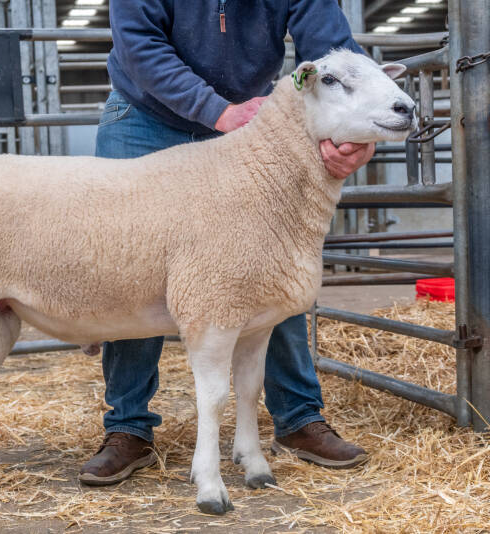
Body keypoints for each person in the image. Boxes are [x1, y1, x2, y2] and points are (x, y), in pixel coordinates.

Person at [78, 1, 375, 486]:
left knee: (274, 260)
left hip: (252, 114)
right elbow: (140, 43)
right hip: (147, 113)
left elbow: (334, 52)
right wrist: (217, 111)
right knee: (132, 262)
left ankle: (297, 417)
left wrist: (357, 136)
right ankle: (128, 427)